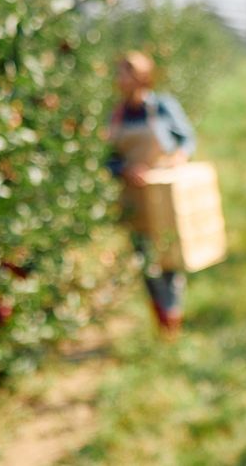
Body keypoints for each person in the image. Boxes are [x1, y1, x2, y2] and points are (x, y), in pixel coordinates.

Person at [106, 51, 197, 338]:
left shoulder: (162, 106)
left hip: (163, 193)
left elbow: (187, 139)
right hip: (133, 196)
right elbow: (106, 157)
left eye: (124, 73)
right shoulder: (117, 114)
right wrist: (123, 169)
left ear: (140, 76)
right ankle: (161, 317)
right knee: (144, 258)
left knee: (170, 256)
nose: (118, 79)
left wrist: (177, 158)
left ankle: (172, 317)